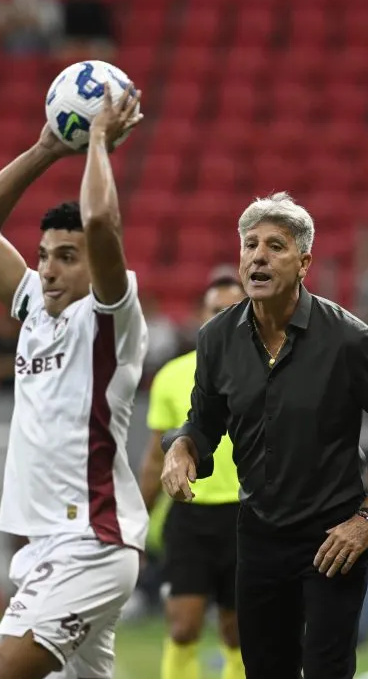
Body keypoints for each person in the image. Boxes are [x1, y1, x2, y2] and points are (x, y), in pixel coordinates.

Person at [160, 192, 368, 679]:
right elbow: (204, 424)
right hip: (257, 534)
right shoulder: (215, 339)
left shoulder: (351, 340)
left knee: (326, 670)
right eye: (250, 244)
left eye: (275, 246)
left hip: (333, 537)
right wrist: (180, 447)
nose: (258, 255)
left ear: (304, 262)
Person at [0, 83, 145, 679]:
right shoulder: (35, 305)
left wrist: (99, 142)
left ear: (96, 264)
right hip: (45, 548)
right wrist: (43, 149)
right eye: (43, 255)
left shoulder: (111, 314)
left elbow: (98, 219)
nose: (49, 268)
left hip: (89, 541)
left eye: (67, 256)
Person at [139, 271, 247, 679]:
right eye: (216, 311)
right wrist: (137, 517)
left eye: (234, 311)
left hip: (245, 514)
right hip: (189, 514)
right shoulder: (172, 376)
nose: (224, 318)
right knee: (183, 626)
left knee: (237, 632)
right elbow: (155, 457)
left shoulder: (268, 373)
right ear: (202, 318)